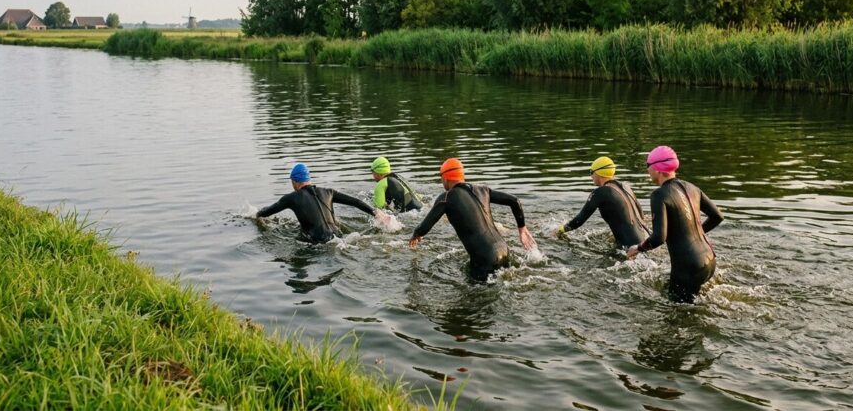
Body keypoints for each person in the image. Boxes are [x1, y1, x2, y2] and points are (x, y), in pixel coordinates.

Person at [409, 158, 537, 280]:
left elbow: (424, 226)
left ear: (445, 177)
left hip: (485, 259)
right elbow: (514, 201)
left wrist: (416, 234)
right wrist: (522, 228)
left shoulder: (446, 198)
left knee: (476, 299)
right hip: (504, 250)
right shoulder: (483, 190)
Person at [626, 146, 724, 303]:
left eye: (647, 166)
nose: (647, 170)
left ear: (657, 168)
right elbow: (717, 216)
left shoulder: (659, 195)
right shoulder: (691, 187)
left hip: (688, 267)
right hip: (709, 260)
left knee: (676, 320)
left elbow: (659, 237)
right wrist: (697, 232)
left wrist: (637, 248)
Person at [256, 163, 386, 243]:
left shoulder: (291, 198)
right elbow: (355, 202)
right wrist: (375, 213)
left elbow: (267, 212)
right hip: (340, 236)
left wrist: (255, 214)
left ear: (295, 181)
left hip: (318, 242)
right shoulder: (328, 192)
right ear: (308, 178)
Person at [556, 156, 649, 248]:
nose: (591, 176)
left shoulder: (600, 192)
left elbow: (579, 221)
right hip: (646, 242)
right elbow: (641, 216)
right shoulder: (627, 187)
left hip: (630, 249)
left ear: (597, 173)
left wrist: (559, 230)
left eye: (591, 172)